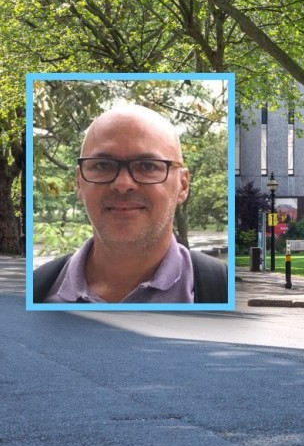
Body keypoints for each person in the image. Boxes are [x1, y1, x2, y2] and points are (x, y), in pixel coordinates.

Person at [33, 104, 228, 304]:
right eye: (102, 166)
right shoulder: (37, 290)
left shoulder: (222, 290)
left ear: (183, 185)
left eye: (147, 166)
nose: (123, 184)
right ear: (79, 182)